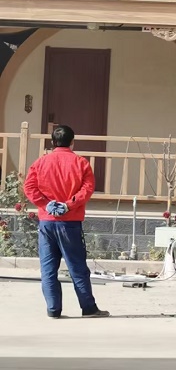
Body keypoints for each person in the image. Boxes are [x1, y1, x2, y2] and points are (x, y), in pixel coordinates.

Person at [24, 124, 109, 319]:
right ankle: (88, 308)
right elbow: (87, 189)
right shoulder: (81, 163)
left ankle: (53, 309)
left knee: (48, 268)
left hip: (47, 222)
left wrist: (46, 204)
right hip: (70, 222)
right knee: (77, 267)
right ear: (72, 142)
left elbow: (29, 188)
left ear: (53, 142)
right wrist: (69, 205)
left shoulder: (40, 162)